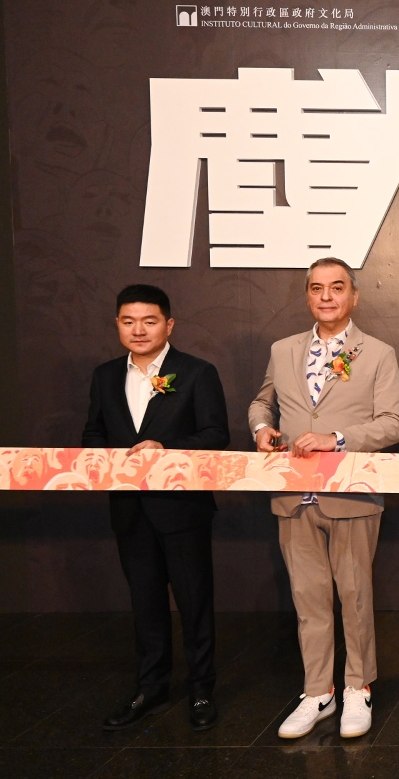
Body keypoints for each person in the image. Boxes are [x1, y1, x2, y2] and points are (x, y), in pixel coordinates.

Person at [248, 257, 399, 740]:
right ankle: (318, 692)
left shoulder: (377, 353)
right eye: (317, 288)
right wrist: (262, 428)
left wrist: (335, 439)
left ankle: (358, 687)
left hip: (352, 494)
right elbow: (262, 401)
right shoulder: (283, 350)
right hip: (294, 496)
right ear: (307, 296)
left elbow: (395, 423)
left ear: (354, 296)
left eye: (337, 287)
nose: (326, 296)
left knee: (354, 596)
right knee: (308, 599)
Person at [82, 284, 230, 732]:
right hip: (129, 510)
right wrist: (101, 456)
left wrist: (164, 447)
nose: (139, 330)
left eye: (149, 321)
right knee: (144, 604)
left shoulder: (197, 372)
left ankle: (201, 690)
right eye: (128, 321)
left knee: (194, 603)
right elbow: (93, 433)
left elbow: (215, 435)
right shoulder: (105, 376)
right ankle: (151, 687)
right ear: (117, 325)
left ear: (169, 325)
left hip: (182, 509)